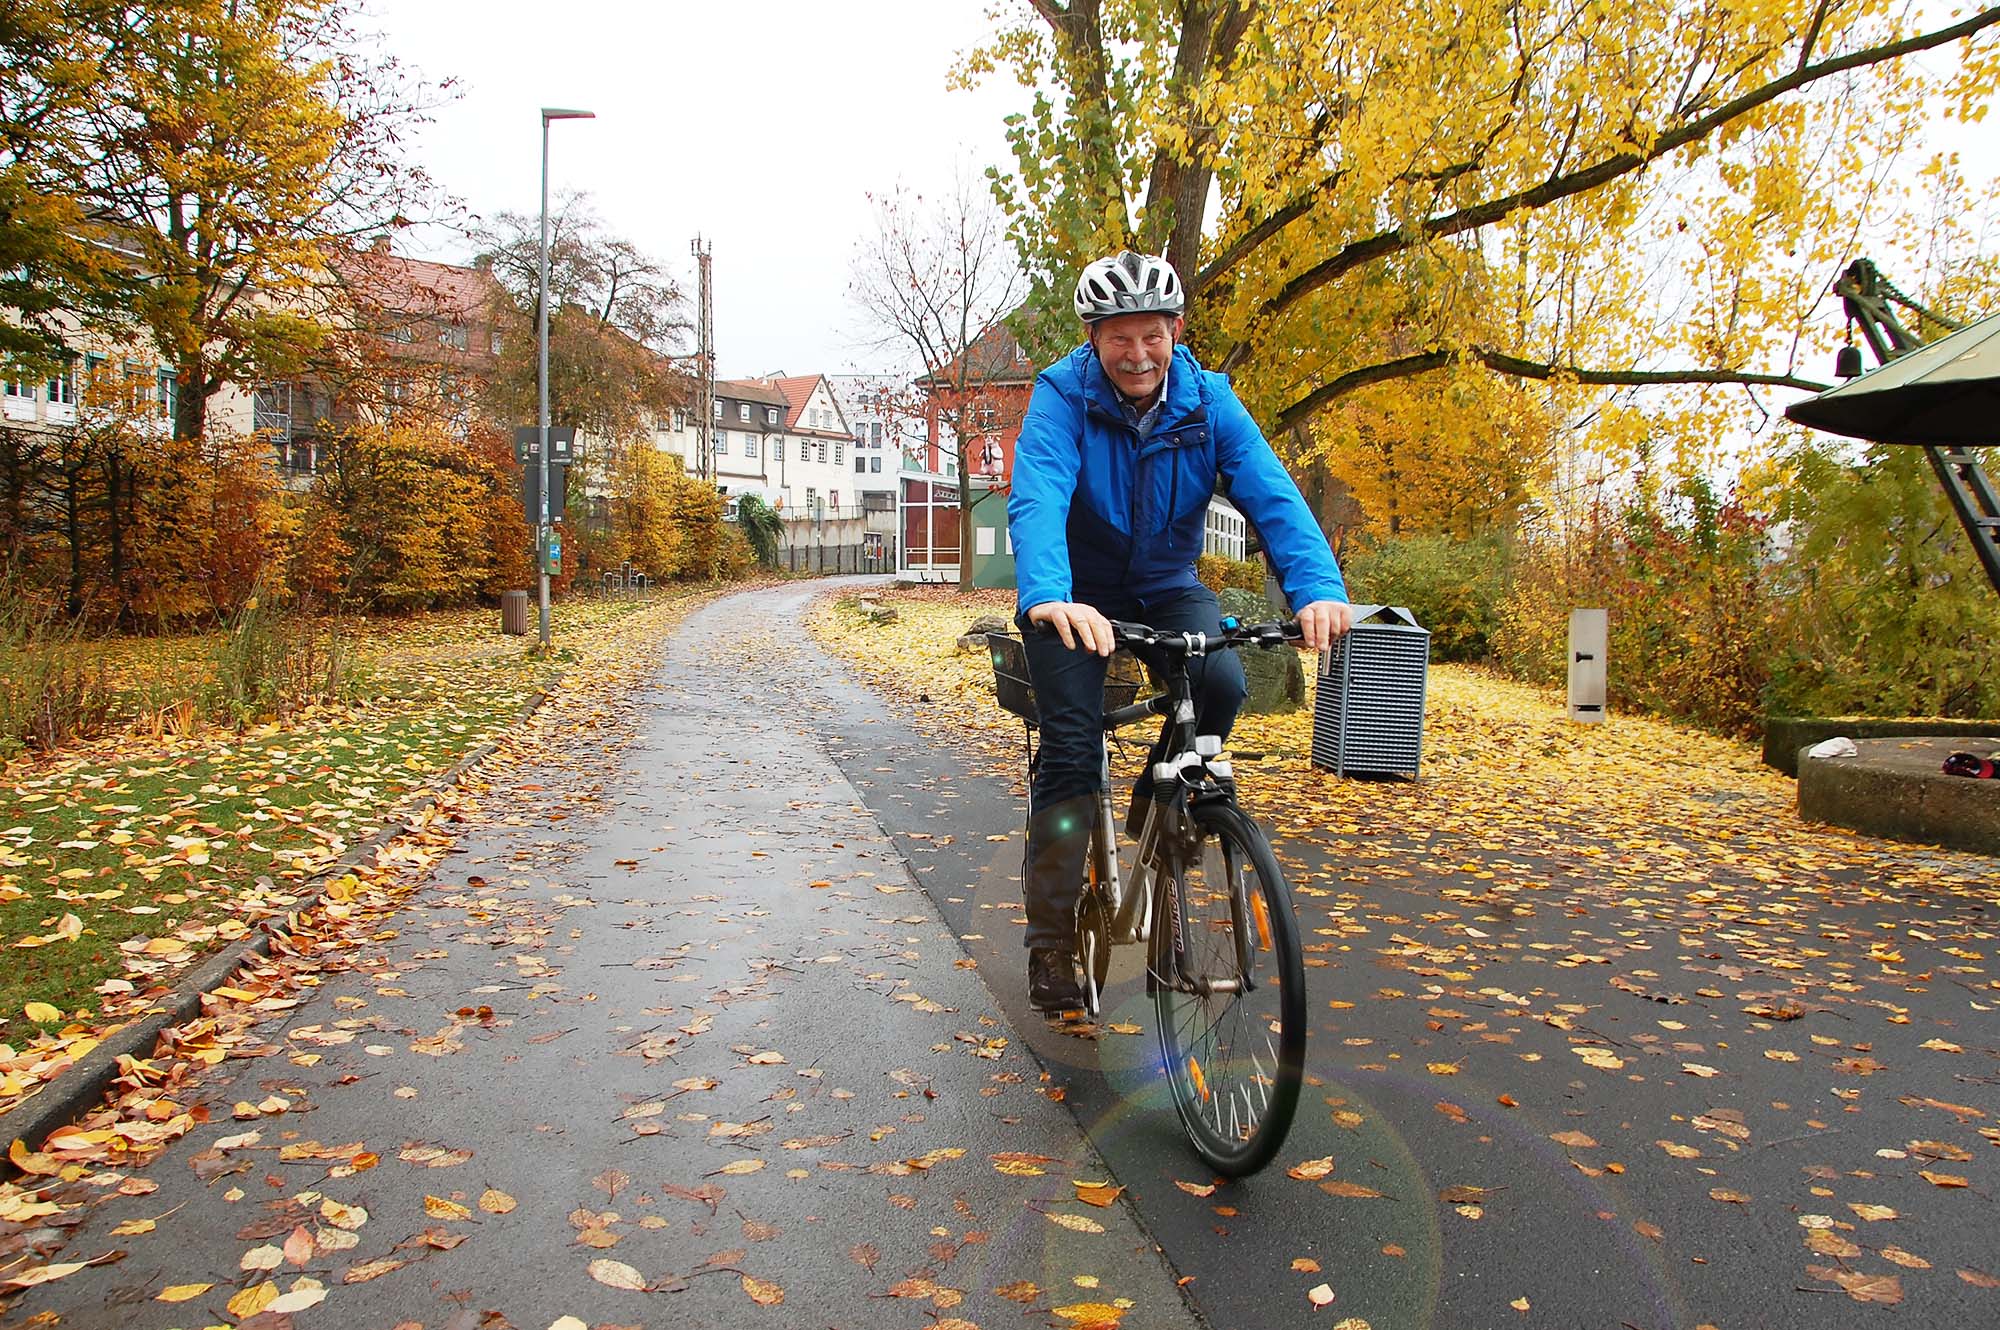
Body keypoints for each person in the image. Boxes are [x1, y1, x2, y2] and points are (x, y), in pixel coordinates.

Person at [1007, 250, 1354, 1014]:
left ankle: (1159, 805)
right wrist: (1050, 596)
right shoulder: (1062, 396)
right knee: (1069, 747)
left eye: (1153, 337)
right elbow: (1037, 494)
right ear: (1094, 338)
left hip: (1167, 583)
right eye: (1120, 338)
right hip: (1075, 593)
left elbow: (1272, 493)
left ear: (1176, 331)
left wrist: (1319, 589)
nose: (1138, 355)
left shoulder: (1210, 401)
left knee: (1223, 686)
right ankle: (1052, 942)